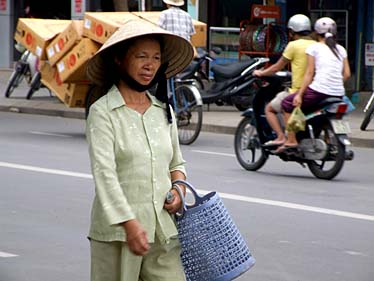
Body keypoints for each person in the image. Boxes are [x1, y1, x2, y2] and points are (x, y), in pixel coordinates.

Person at [85, 18, 194, 281]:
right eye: (141, 56)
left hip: (163, 232)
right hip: (118, 236)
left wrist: (178, 190)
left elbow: (176, 165)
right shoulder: (103, 112)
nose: (150, 65)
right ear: (120, 60)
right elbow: (105, 175)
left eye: (156, 58)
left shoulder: (163, 111)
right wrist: (129, 223)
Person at [278, 17, 351, 152]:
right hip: (339, 93)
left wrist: (299, 95)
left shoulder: (314, 48)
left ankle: (291, 140)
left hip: (318, 92)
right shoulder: (341, 49)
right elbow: (347, 74)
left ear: (316, 33)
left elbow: (309, 73)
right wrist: (334, 84)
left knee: (287, 104)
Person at [253, 14, 315, 147]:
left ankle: (282, 137)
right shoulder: (316, 45)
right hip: (315, 91)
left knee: (269, 108)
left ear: (292, 31)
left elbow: (276, 67)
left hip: (298, 90)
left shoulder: (293, 45)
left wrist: (261, 72)